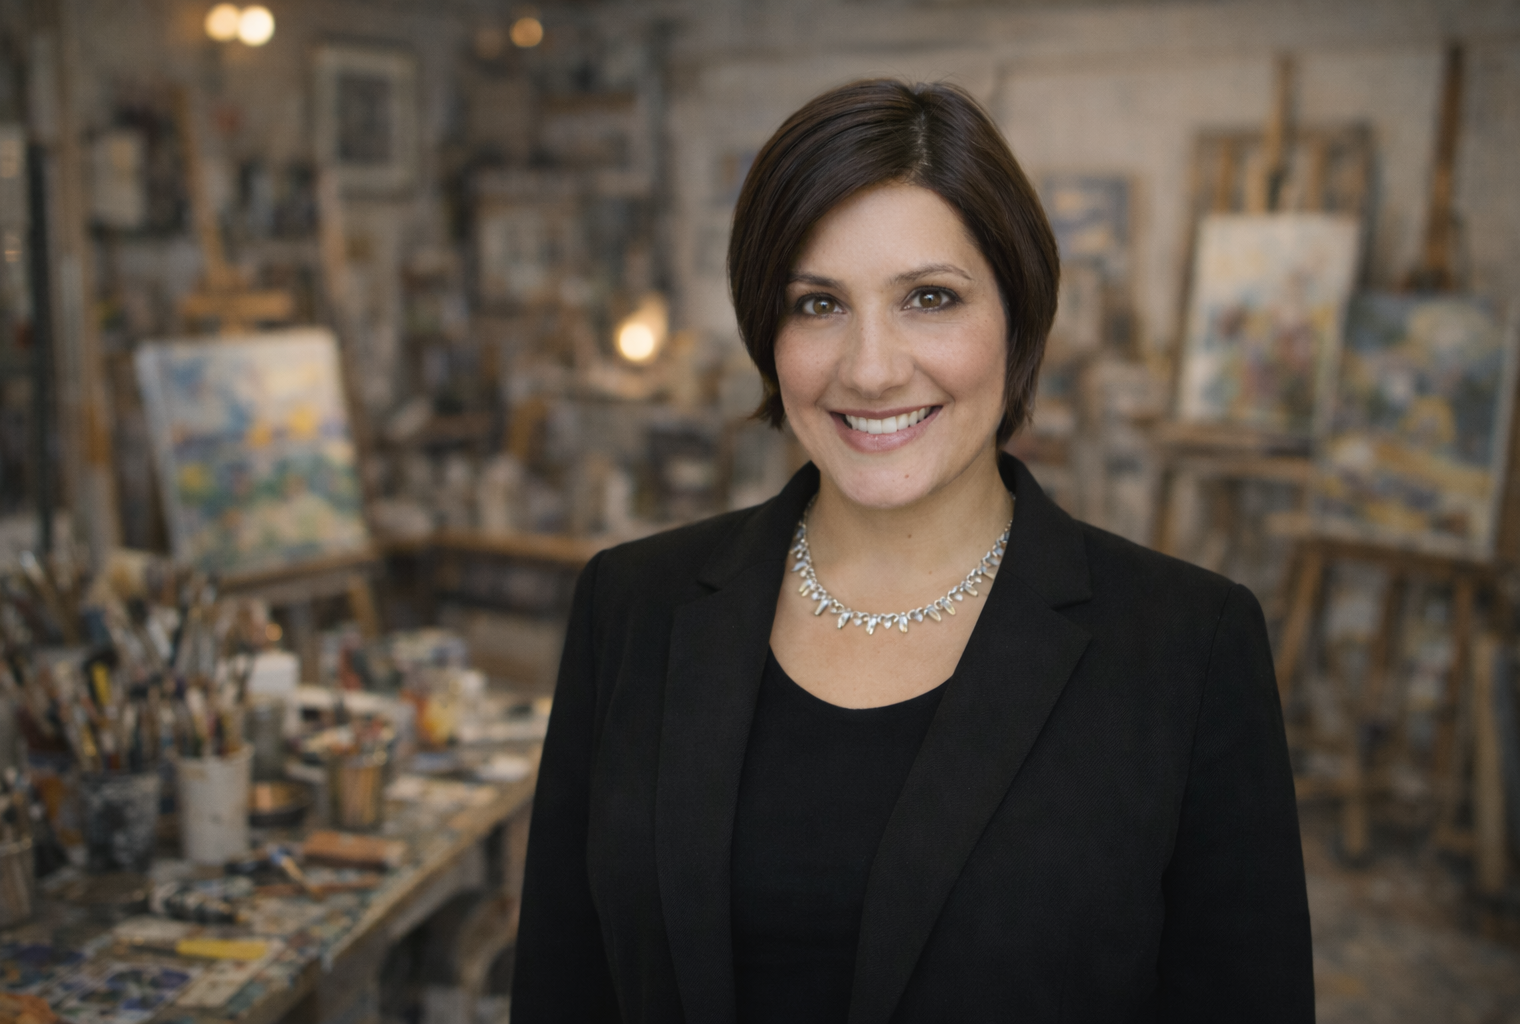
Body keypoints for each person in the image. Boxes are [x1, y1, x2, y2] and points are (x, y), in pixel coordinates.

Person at [511, 79, 1313, 1023]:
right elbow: (563, 986)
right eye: (818, 305)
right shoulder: (630, 605)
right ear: (766, 334)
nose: (872, 368)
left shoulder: (1189, 646)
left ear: (1019, 316)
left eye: (930, 298)